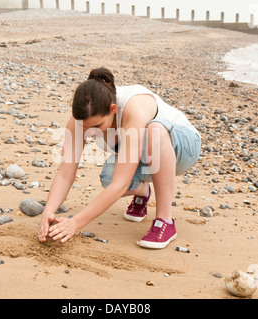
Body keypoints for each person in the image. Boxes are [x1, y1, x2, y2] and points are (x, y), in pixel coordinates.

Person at [37, 67, 201, 249]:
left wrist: (75, 223)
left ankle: (165, 221)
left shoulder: (133, 108)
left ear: (113, 110)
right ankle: (143, 192)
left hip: (183, 149)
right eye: (85, 128)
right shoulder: (81, 119)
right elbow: (65, 172)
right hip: (148, 159)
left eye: (97, 126)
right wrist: (48, 212)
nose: (90, 133)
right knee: (108, 177)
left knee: (155, 130)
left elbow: (120, 184)